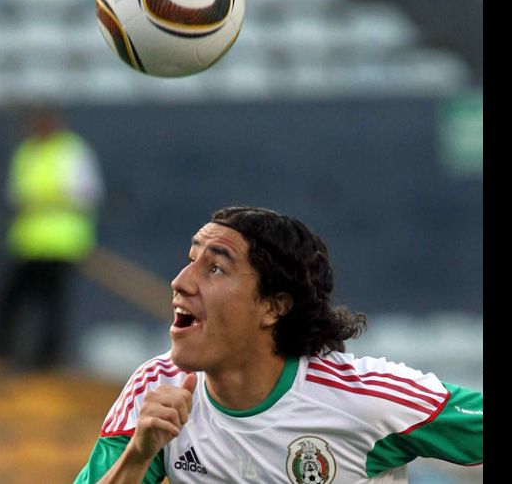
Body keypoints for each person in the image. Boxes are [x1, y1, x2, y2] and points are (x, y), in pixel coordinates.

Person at [74, 206, 482, 483]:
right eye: (191, 259)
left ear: (273, 307)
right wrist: (139, 455)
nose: (180, 281)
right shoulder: (156, 388)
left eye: (214, 267)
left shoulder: (364, 398)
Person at [0, 106, 105, 369]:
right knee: (10, 298)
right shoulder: (26, 152)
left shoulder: (71, 152)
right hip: (28, 244)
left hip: (62, 245)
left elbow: (88, 194)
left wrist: (47, 202)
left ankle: (47, 360)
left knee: (52, 306)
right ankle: (1, 354)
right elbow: (16, 196)